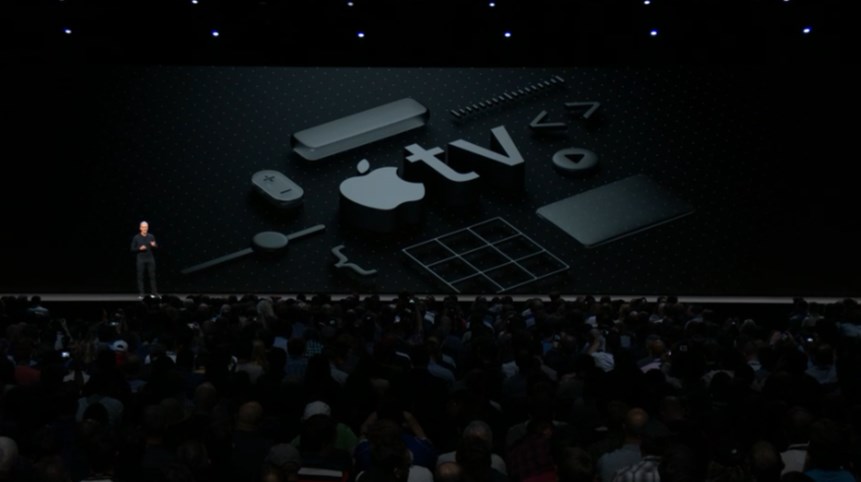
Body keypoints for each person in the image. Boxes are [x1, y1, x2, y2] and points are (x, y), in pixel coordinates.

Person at [131, 220, 158, 298]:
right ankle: (142, 294)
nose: (144, 229)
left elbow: (156, 246)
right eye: (143, 227)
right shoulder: (136, 237)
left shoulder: (151, 236)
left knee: (152, 276)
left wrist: (154, 245)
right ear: (140, 228)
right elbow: (132, 249)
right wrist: (139, 248)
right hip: (141, 259)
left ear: (148, 228)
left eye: (146, 227)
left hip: (150, 259)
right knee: (140, 277)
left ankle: (154, 294)